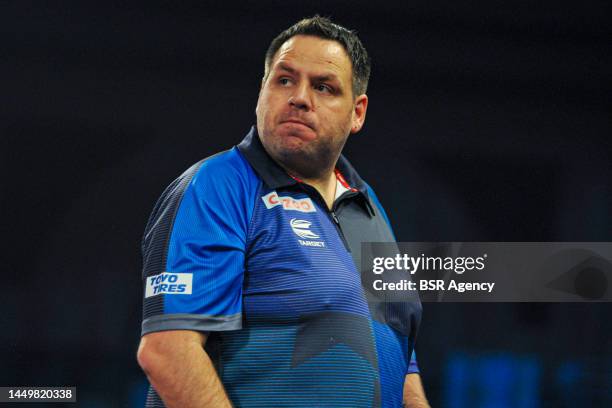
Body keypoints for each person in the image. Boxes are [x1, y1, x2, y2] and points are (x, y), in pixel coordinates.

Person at [137, 16, 429, 408]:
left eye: (323, 87)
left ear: (357, 113)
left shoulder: (368, 205)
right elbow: (169, 351)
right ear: (261, 91)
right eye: (284, 80)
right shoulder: (218, 187)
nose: (299, 97)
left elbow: (398, 347)